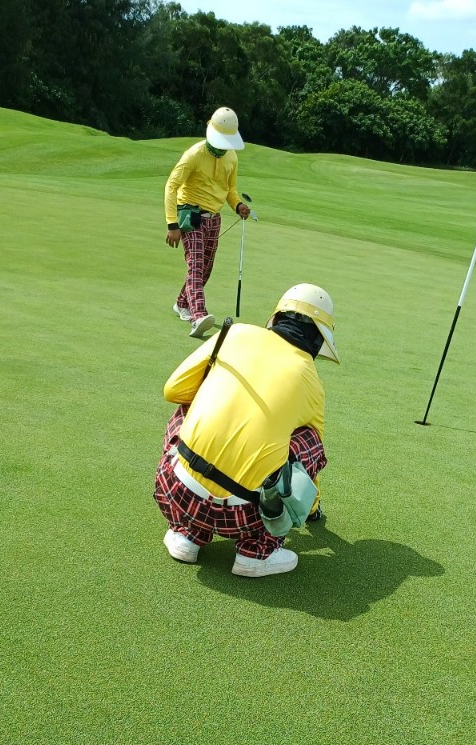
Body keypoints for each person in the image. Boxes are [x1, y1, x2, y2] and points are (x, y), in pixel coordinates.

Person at [154, 284, 339, 578]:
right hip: (246, 516)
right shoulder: (311, 381)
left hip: (177, 491)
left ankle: (187, 533)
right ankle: (256, 552)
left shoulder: (235, 333)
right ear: (319, 338)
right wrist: (311, 507)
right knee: (310, 440)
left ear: (277, 317)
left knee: (188, 403)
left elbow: (173, 390)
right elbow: (310, 462)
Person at [164, 107, 251, 340]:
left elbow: (230, 189)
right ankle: (198, 316)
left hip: (214, 218)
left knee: (205, 269)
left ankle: (182, 303)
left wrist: (238, 205)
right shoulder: (194, 154)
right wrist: (172, 224)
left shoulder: (231, 157)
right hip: (189, 213)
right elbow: (172, 186)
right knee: (195, 265)